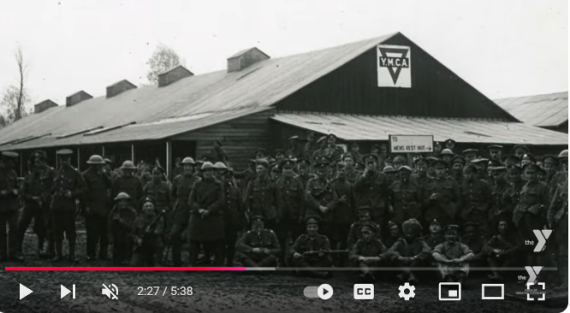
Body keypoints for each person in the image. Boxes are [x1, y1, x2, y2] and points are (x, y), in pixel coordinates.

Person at [187, 162, 225, 266]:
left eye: (210, 171)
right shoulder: (197, 184)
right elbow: (191, 200)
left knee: (217, 242)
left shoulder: (218, 184)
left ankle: (218, 264)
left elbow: (221, 201)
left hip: (213, 216)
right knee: (194, 241)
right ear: (202, 173)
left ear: (213, 172)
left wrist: (209, 210)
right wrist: (199, 209)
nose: (208, 173)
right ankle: (191, 264)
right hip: (198, 216)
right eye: (206, 171)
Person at [512, 163, 550, 268]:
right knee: (529, 247)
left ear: (538, 173)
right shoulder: (525, 186)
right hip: (523, 220)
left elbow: (546, 204)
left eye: (532, 173)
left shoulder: (543, 187)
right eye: (527, 173)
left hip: (536, 221)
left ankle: (539, 275)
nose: (530, 176)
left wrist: (536, 209)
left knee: (539, 247)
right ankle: (530, 275)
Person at [51, 149, 85, 262]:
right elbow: (51, 188)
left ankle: (72, 255)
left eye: (66, 159)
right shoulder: (56, 172)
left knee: (71, 232)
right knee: (57, 231)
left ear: (70, 159)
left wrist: (72, 194)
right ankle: (58, 254)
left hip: (68, 207)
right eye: (62, 159)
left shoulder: (75, 173)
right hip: (57, 206)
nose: (64, 161)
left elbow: (83, 188)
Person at [19, 151, 55, 259]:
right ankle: (17, 250)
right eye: (34, 162)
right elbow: (23, 193)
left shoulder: (49, 175)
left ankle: (41, 249)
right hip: (29, 206)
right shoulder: (28, 178)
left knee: (41, 229)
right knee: (21, 226)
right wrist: (32, 198)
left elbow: (51, 189)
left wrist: (43, 198)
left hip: (42, 206)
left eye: (38, 162)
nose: (36, 164)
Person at [169, 157, 200, 266]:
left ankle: (192, 261)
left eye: (189, 166)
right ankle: (176, 261)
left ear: (193, 168)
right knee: (174, 234)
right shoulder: (177, 179)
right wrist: (175, 206)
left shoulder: (197, 180)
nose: (187, 168)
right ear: (182, 167)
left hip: (192, 210)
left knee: (193, 236)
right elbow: (172, 195)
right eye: (185, 166)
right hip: (180, 210)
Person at [81, 155, 112, 261]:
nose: (100, 166)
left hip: (103, 207)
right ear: (93, 165)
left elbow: (109, 184)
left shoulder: (102, 174)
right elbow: (84, 193)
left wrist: (105, 174)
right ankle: (91, 254)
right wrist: (86, 206)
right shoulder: (85, 175)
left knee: (104, 233)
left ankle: (103, 254)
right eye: (99, 164)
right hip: (92, 208)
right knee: (92, 233)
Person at [275, 158, 305, 265]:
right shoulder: (277, 182)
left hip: (295, 216)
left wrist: (301, 215)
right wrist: (276, 215)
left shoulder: (298, 182)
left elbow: (302, 200)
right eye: (285, 168)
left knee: (296, 239)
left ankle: (294, 261)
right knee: (281, 239)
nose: (287, 171)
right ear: (281, 170)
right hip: (281, 216)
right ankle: (281, 260)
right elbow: (275, 200)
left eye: (289, 168)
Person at [217, 163, 245, 267]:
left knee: (231, 242)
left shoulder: (235, 191)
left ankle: (229, 262)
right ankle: (219, 262)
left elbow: (240, 207)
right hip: (221, 221)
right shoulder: (218, 190)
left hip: (233, 221)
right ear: (221, 178)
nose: (227, 179)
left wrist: (241, 221)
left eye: (229, 177)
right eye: (225, 177)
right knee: (220, 242)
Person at [305, 157, 338, 244]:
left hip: (327, 215)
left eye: (324, 172)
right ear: (316, 172)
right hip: (314, 214)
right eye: (320, 172)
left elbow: (335, 199)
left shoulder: (330, 184)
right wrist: (319, 207)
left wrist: (327, 207)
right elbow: (308, 197)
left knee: (326, 237)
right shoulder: (311, 182)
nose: (322, 174)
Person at [388, 218, 431, 283]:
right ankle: (410, 275)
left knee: (419, 261)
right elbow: (390, 251)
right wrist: (400, 257)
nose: (409, 235)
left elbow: (427, 250)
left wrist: (416, 257)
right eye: (407, 233)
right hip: (403, 262)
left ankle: (404, 275)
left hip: (415, 263)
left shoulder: (420, 241)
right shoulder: (401, 241)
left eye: (411, 233)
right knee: (395, 260)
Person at [547, 160, 568, 288]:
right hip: (563, 222)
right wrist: (550, 220)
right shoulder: (562, 186)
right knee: (562, 253)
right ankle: (564, 281)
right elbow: (553, 206)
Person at [353, 154, 390, 227]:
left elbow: (386, 193)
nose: (370, 165)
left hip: (378, 209)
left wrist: (384, 205)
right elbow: (355, 188)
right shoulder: (360, 175)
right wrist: (364, 176)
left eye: (372, 163)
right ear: (365, 165)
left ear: (376, 164)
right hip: (364, 209)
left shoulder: (382, 176)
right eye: (368, 163)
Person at [244, 159, 279, 231]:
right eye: (257, 168)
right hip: (256, 214)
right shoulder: (252, 183)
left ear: (266, 170)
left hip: (270, 215)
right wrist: (248, 211)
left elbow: (278, 199)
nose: (258, 170)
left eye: (261, 168)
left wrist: (277, 214)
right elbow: (246, 198)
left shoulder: (272, 183)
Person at [423, 159, 460, 227]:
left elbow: (458, 199)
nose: (440, 171)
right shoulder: (429, 183)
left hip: (448, 214)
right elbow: (424, 201)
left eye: (442, 169)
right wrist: (430, 198)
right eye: (437, 169)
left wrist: (453, 209)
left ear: (445, 170)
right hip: (433, 214)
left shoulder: (451, 182)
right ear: (434, 170)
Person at [459, 164, 491, 238]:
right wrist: (463, 212)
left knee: (484, 234)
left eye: (469, 173)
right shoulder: (461, 186)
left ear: (475, 173)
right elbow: (459, 201)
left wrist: (483, 208)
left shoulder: (483, 184)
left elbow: (489, 199)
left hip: (481, 214)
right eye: (465, 173)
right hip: (467, 215)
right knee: (468, 234)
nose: (467, 175)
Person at [131, 197, 165, 266]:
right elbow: (133, 233)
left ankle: (156, 261)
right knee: (133, 265)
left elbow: (159, 230)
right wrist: (138, 240)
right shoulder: (138, 219)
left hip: (154, 242)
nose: (149, 208)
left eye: (150, 206)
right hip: (142, 244)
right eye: (146, 206)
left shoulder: (159, 218)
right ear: (143, 209)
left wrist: (151, 232)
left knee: (158, 243)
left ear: (153, 208)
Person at [0, 151, 21, 262]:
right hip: (1, 206)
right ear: (5, 161)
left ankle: (13, 253)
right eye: (12, 162)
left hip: (12, 206)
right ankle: (2, 253)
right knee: (1, 231)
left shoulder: (12, 173)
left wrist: (16, 191)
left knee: (14, 229)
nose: (14, 164)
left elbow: (17, 186)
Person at [108, 192, 137, 265]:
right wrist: (110, 238)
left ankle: (127, 258)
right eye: (120, 201)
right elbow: (109, 226)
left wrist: (120, 221)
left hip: (128, 235)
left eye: (124, 201)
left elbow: (132, 227)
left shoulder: (132, 212)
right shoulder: (113, 212)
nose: (122, 203)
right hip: (117, 235)